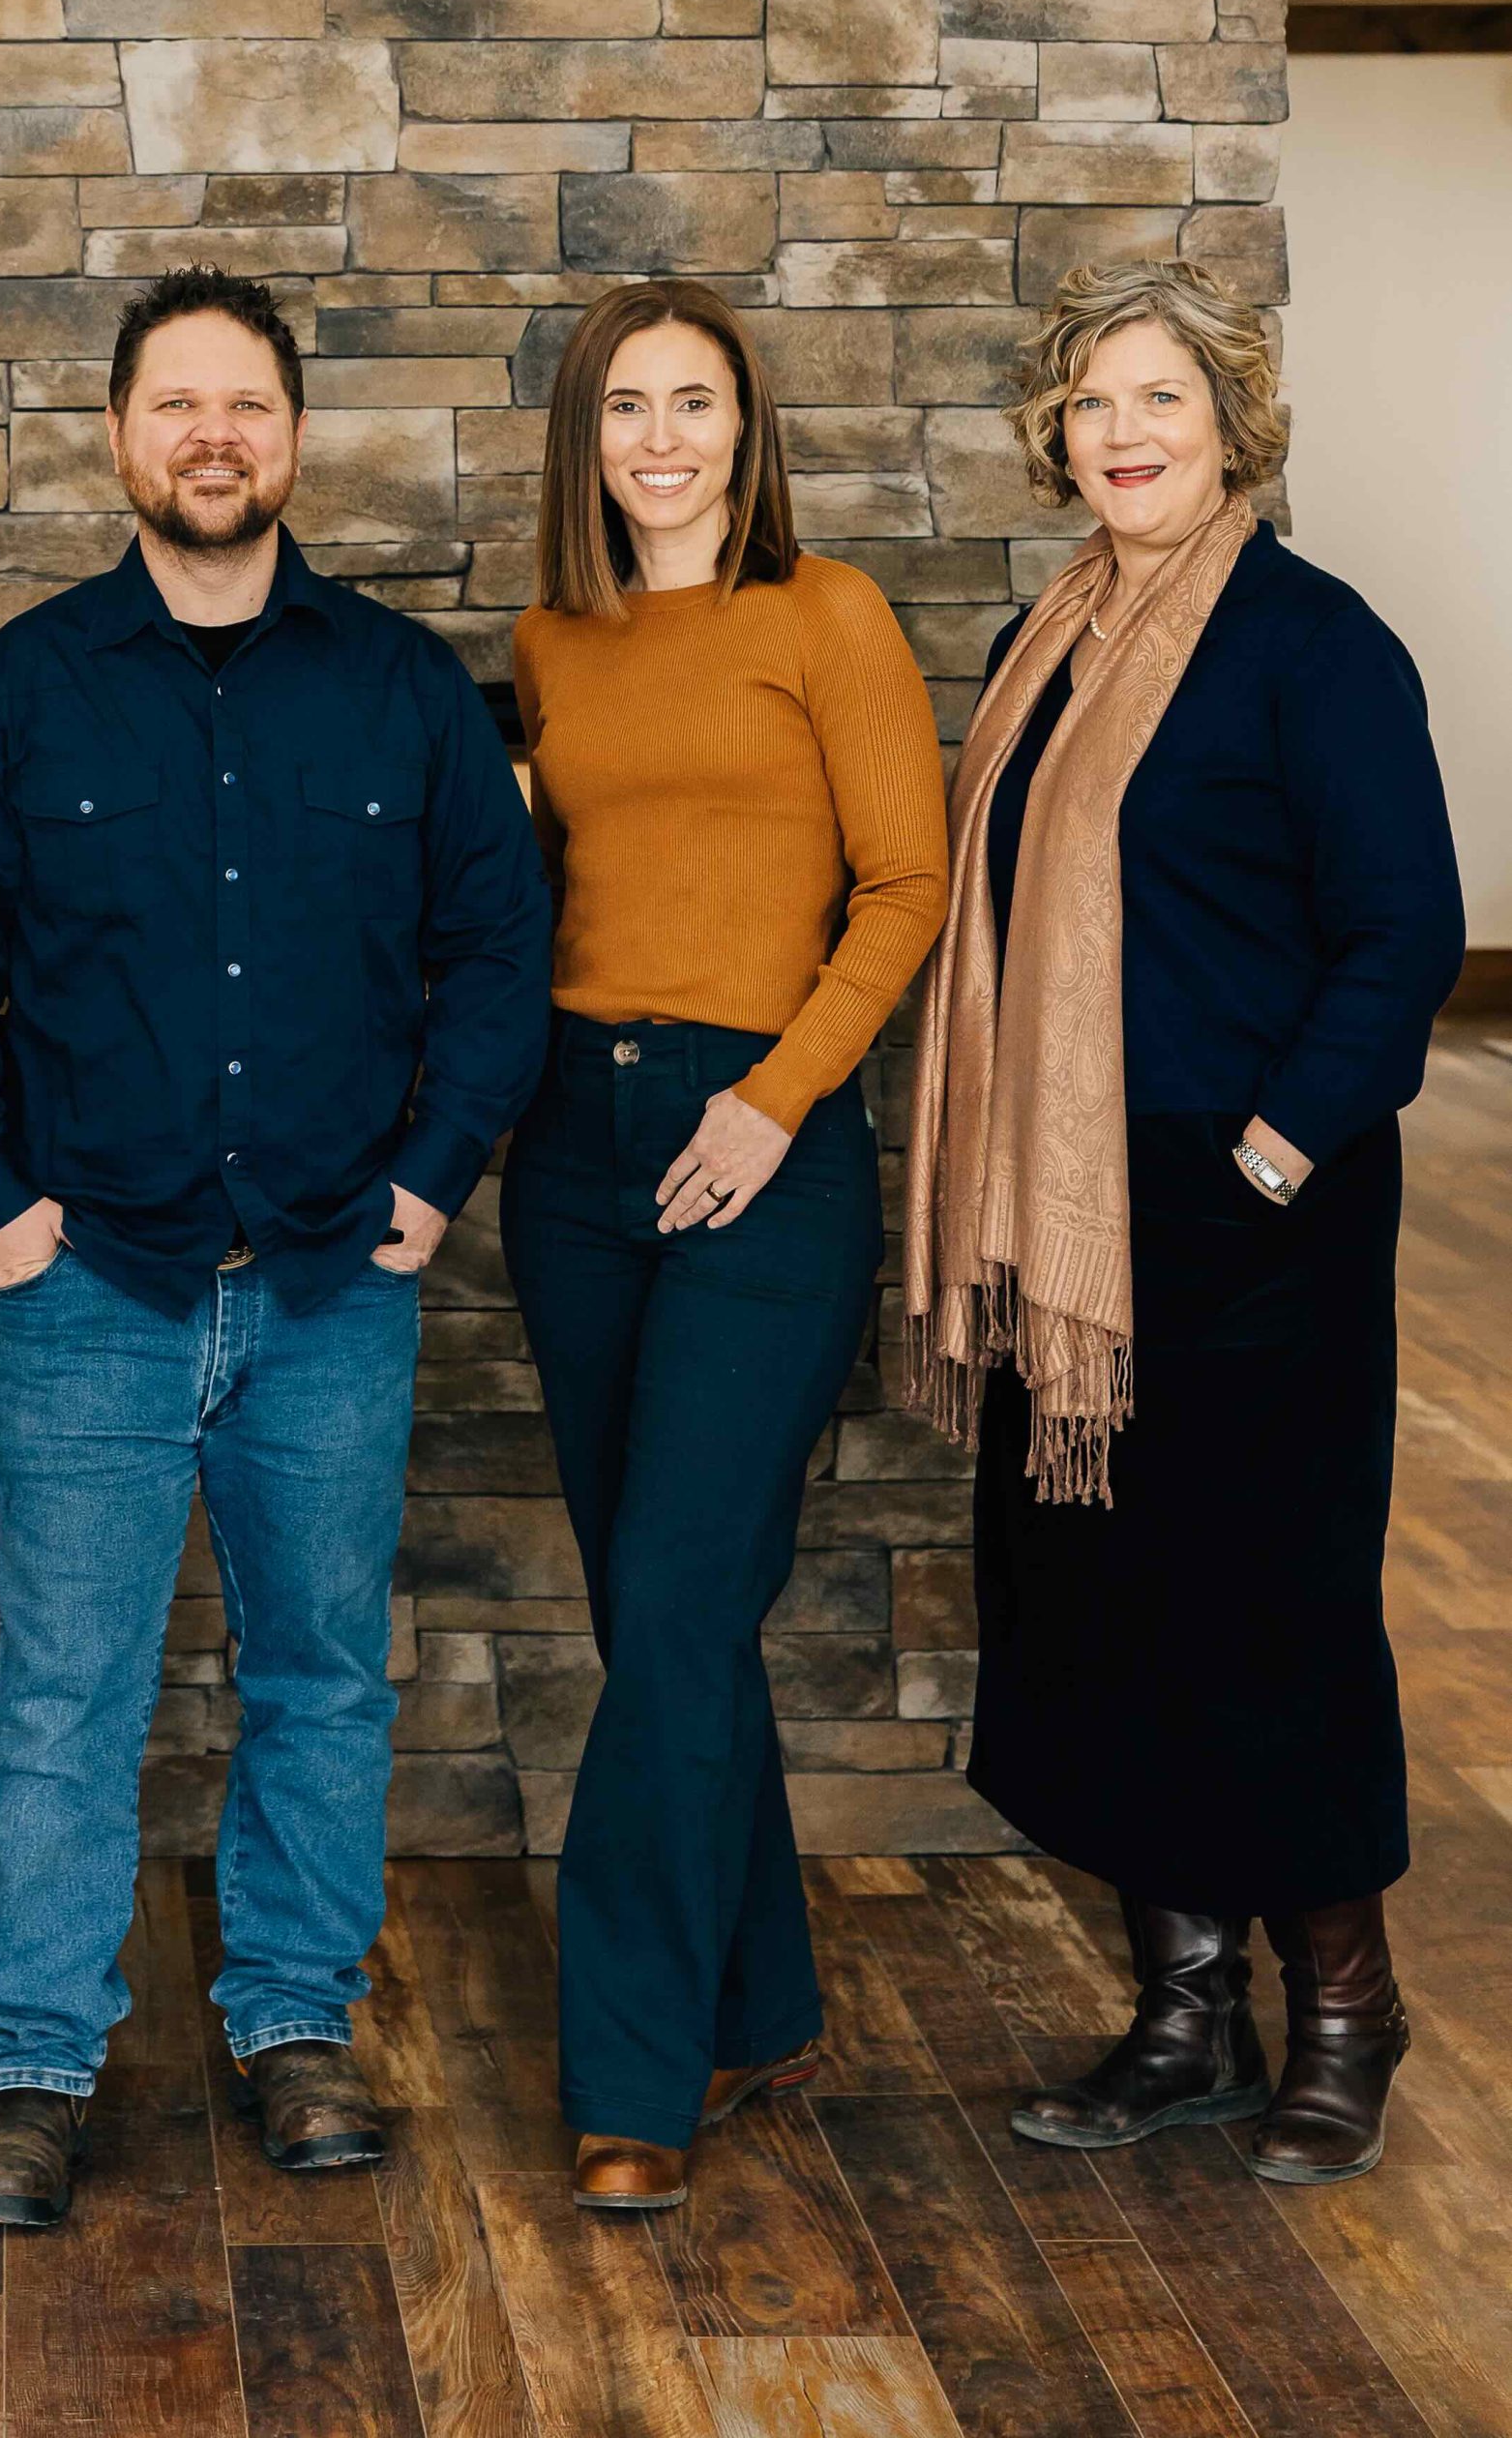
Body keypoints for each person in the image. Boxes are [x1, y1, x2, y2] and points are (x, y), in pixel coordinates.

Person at [0, 268, 549, 2233]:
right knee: (62, 1693)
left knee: (321, 1677)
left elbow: (497, 945)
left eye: (245, 402)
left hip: (337, 1278)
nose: (213, 436)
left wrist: (434, 1175)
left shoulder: (404, 688)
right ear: (119, 437)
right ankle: (35, 2055)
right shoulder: (22, 691)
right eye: (176, 403)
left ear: (295, 438)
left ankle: (294, 2018)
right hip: (84, 1279)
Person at [907, 258, 1462, 2188]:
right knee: (1102, 1607)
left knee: (1267, 1613)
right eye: (1091, 402)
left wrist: (1272, 1155)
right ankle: (1184, 2009)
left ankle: (1345, 2011)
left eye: (1160, 397)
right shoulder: (1045, 637)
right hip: (1068, 1224)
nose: (1123, 432)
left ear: (1231, 423)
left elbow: (1401, 927)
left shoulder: (1313, 644)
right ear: (1055, 437)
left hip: (1254, 1220)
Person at [503, 280, 948, 2219]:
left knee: (682, 1603)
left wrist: (772, 1098)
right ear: (583, 438)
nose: (661, 438)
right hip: (572, 1146)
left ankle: (630, 2075)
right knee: (654, 1617)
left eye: (695, 402)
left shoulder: (826, 614)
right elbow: (551, 890)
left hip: (763, 1138)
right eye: (626, 405)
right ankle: (762, 2003)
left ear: (747, 429)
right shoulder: (551, 641)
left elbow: (906, 881)